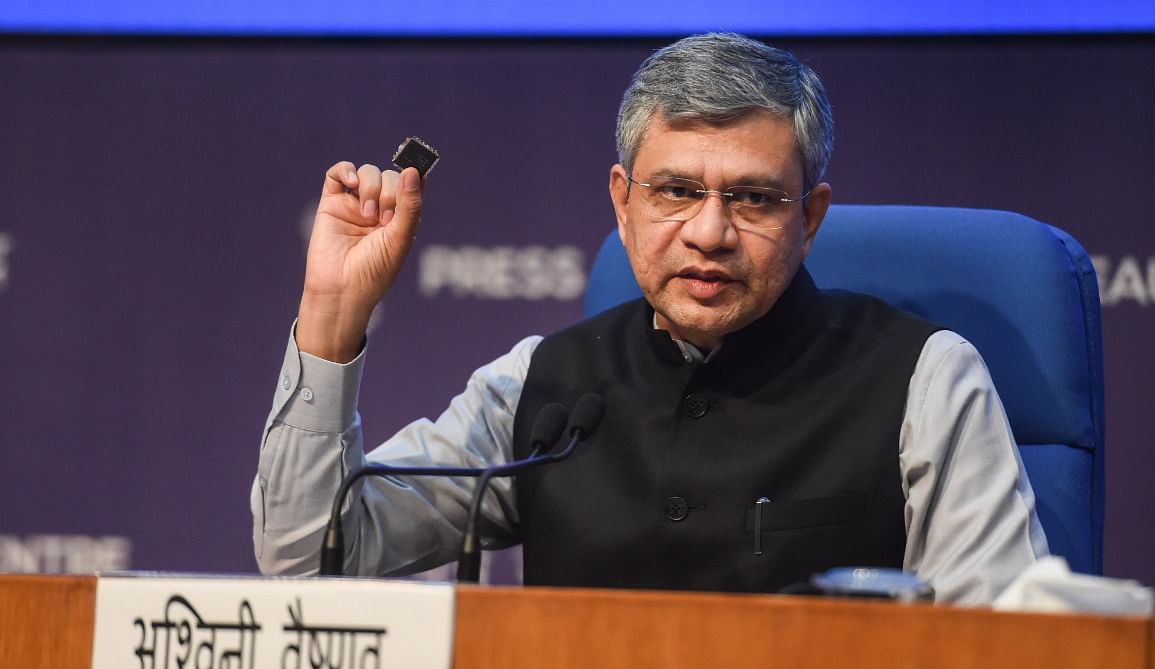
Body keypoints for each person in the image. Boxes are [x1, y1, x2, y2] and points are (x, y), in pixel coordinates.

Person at [252, 33, 1047, 604]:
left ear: (810, 219)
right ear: (622, 203)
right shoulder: (541, 386)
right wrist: (332, 313)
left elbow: (1007, 651)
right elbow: (310, 561)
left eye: (754, 197)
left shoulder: (923, 379)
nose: (709, 232)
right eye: (675, 191)